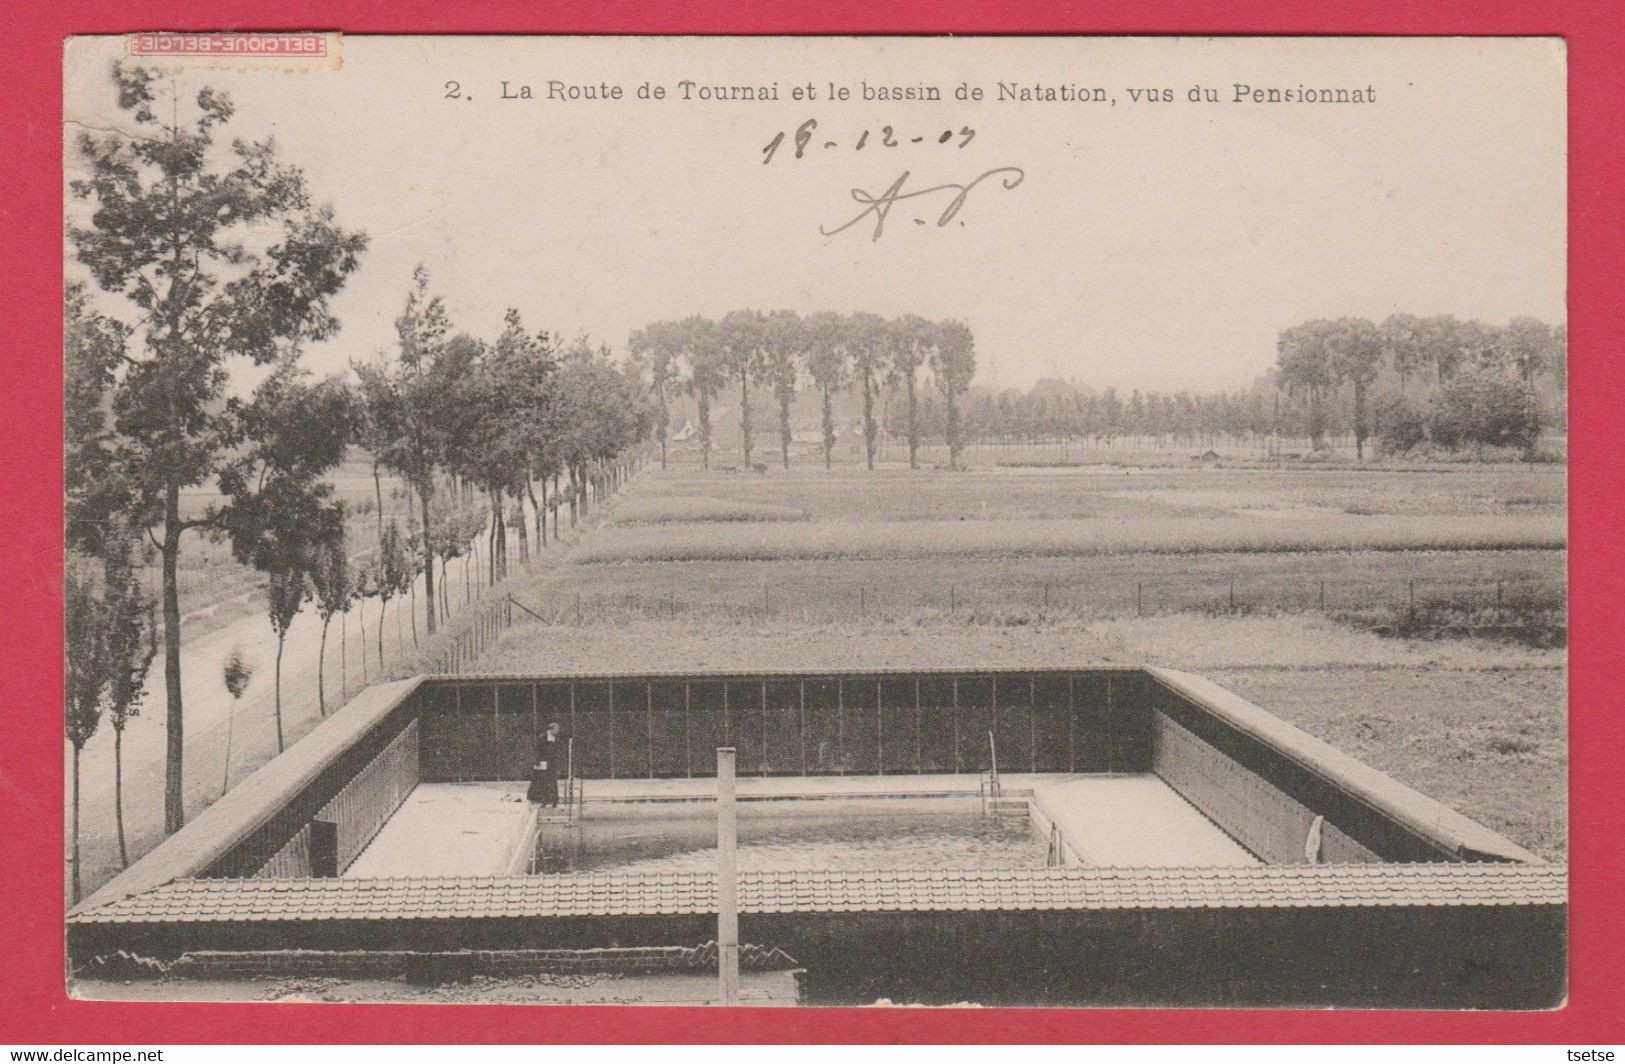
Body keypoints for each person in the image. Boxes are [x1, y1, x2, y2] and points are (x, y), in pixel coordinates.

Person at [527, 722, 563, 807]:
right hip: (543, 763)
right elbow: (538, 751)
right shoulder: (542, 738)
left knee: (552, 782)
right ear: (552, 729)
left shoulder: (555, 739)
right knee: (542, 782)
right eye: (557, 729)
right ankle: (542, 801)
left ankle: (554, 801)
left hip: (552, 764)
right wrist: (537, 762)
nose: (558, 731)